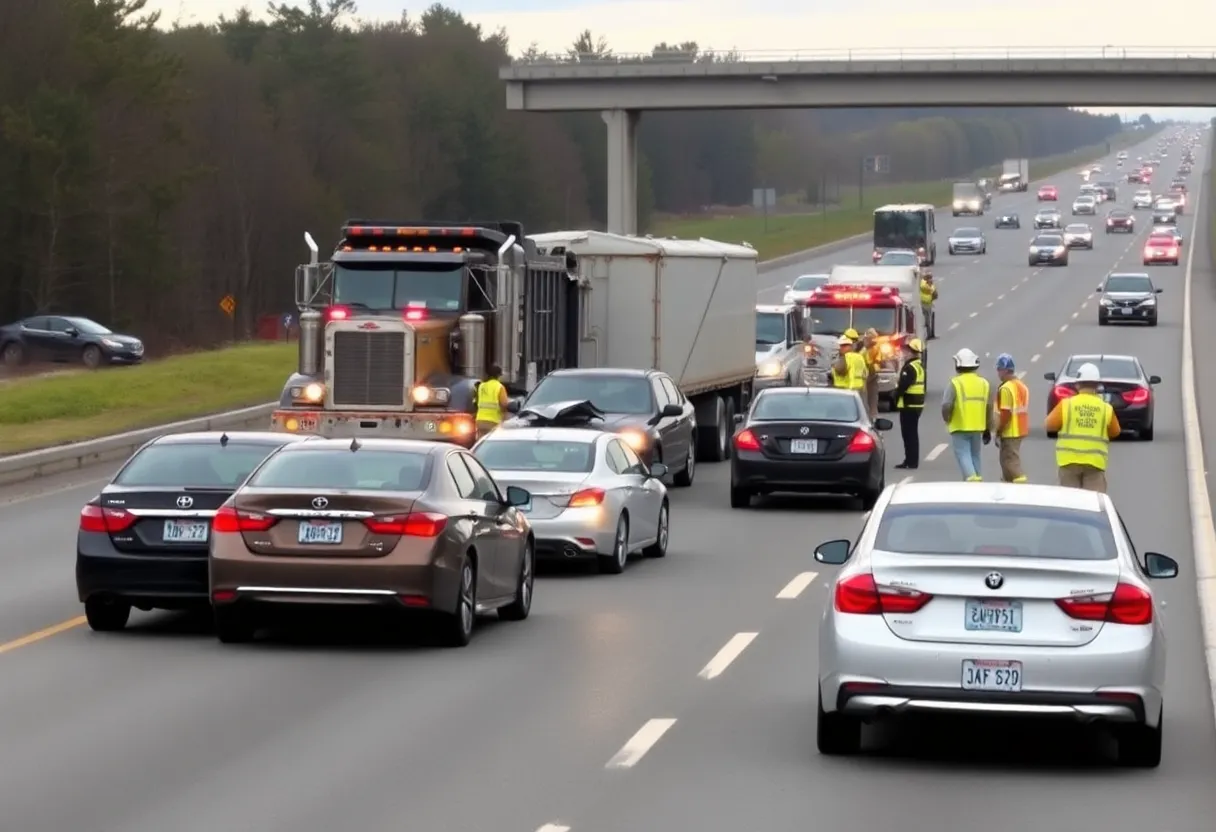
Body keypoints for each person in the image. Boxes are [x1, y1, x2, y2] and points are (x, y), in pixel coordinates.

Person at [1044, 362, 1120, 492]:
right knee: (1092, 506)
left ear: (1077, 384)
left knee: (1070, 504)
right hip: (1095, 464)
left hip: (1068, 462)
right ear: (1097, 385)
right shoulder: (1106, 408)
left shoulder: (1066, 405)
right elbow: (1115, 432)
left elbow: (1049, 425)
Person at [941, 347, 992, 482]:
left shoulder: (955, 383)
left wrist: (947, 419)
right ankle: (977, 478)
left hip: (960, 426)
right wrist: (988, 428)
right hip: (978, 426)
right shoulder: (984, 383)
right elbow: (989, 407)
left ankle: (971, 480)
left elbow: (946, 405)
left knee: (963, 454)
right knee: (975, 455)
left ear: (958, 364)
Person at [994, 353, 1030, 483]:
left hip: (1010, 431)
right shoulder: (1022, 386)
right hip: (1020, 429)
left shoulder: (1005, 389)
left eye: (999, 369)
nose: (998, 373)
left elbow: (1006, 413)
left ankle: (1020, 483)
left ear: (1004, 370)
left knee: (1009, 461)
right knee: (1007, 462)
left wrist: (998, 430)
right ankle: (1007, 485)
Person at [894, 337, 926, 469]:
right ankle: (910, 460)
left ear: (912, 352)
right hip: (916, 404)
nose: (905, 353)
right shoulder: (919, 366)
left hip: (909, 405)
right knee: (911, 433)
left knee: (908, 434)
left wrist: (896, 397)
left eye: (907, 351)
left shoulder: (910, 367)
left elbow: (903, 386)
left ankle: (911, 461)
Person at [475, 364, 509, 439]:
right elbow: (504, 404)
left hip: (480, 420)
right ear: (498, 375)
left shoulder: (481, 386)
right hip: (493, 421)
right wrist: (504, 417)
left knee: (480, 444)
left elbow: (477, 401)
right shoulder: (499, 387)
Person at [862, 327, 882, 419]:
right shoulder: (863, 349)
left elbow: (876, 361)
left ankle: (872, 415)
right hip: (864, 376)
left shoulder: (874, 348)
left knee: (872, 397)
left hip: (871, 375)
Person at [920, 272, 938, 339]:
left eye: (931, 278)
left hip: (928, 303)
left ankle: (929, 334)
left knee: (928, 319)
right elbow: (931, 290)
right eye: (930, 278)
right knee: (927, 320)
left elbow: (934, 294)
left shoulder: (927, 284)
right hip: (924, 304)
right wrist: (932, 287)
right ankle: (928, 334)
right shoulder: (924, 285)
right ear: (926, 279)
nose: (931, 280)